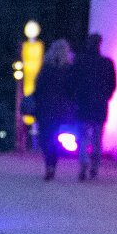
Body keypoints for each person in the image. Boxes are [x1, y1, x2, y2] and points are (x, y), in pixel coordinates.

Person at [70, 33, 117, 181]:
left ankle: (83, 162)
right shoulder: (107, 63)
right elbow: (113, 84)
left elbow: (73, 82)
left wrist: (74, 98)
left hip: (83, 104)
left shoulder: (80, 61)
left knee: (83, 137)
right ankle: (94, 167)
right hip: (99, 105)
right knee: (97, 138)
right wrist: (106, 97)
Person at [36, 39, 75, 180]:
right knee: (55, 137)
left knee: (46, 137)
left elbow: (38, 88)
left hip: (45, 108)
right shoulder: (68, 70)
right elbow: (71, 90)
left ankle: (49, 164)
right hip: (60, 108)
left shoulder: (46, 68)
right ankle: (53, 164)